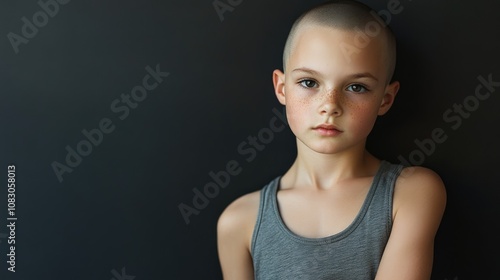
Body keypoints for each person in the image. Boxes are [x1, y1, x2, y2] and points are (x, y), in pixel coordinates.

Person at [217, 0, 446, 279]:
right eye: (309, 82)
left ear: (385, 100)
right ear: (282, 87)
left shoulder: (411, 193)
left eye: (356, 87)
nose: (330, 105)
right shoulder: (239, 221)